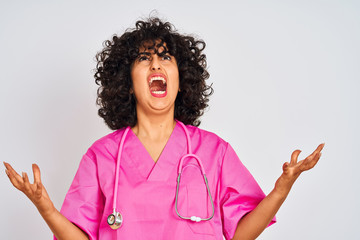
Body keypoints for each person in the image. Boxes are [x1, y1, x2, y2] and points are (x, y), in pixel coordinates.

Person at [4, 17, 324, 240]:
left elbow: (239, 235)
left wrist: (281, 189)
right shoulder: (102, 157)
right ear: (127, 84)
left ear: (181, 80)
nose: (156, 64)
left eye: (165, 57)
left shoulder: (214, 152)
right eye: (144, 59)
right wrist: (45, 207)